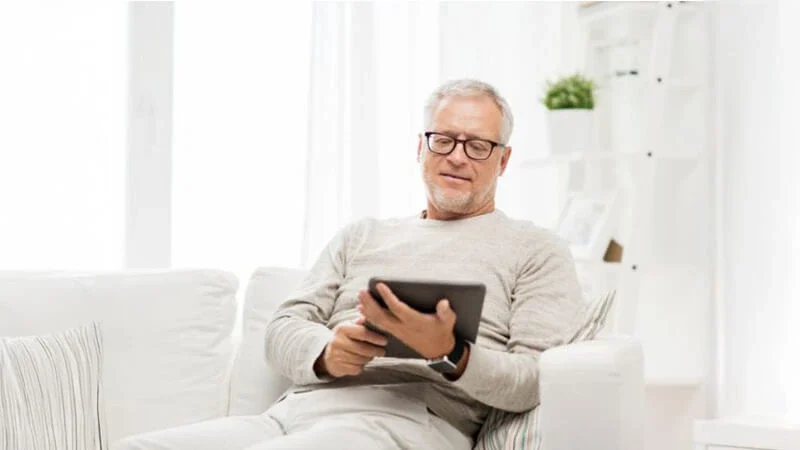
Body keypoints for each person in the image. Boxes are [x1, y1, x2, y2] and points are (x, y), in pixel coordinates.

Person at [113, 79, 583, 450]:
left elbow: (534, 379)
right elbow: (284, 326)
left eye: (477, 145)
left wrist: (451, 352)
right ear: (420, 148)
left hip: (406, 424)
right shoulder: (362, 235)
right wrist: (329, 351)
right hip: (291, 415)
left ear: (503, 161)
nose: (457, 157)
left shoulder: (536, 249)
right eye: (443, 140)